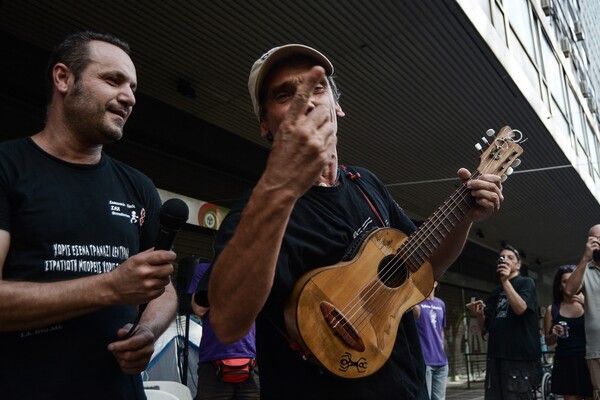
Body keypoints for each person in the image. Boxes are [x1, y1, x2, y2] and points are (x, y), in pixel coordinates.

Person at [198, 44, 504, 400]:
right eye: (285, 95)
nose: (307, 102)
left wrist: (465, 216)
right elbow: (228, 321)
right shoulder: (254, 212)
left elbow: (426, 269)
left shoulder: (366, 184)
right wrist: (279, 186)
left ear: (337, 106)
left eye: (317, 88)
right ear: (266, 125)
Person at [0, 31, 178, 399]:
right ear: (63, 78)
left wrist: (148, 331)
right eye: (113, 80)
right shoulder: (7, 167)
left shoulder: (139, 186)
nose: (129, 97)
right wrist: (109, 288)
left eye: (132, 87)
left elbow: (163, 290)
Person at [467, 245, 541, 399]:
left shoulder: (526, 283)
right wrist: (478, 314)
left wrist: (505, 281)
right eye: (502, 257)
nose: (505, 259)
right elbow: (485, 326)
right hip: (496, 355)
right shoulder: (496, 291)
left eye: (510, 257)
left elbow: (520, 308)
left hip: (519, 357)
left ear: (518, 265)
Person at [189, 261, 259, 400]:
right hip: (213, 361)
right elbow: (199, 308)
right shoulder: (204, 269)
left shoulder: (254, 266)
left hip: (252, 359)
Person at [544, 265, 592, 400]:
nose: (571, 284)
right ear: (559, 286)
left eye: (573, 279)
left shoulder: (589, 303)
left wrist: (588, 304)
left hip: (588, 359)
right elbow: (548, 341)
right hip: (565, 361)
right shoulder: (552, 309)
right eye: (565, 281)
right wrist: (554, 333)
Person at [565, 224, 600, 400]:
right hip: (596, 349)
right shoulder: (585, 268)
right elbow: (569, 291)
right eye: (594, 239)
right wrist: (585, 259)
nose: (598, 242)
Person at [414, 280, 448, 400]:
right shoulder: (416, 303)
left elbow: (441, 330)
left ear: (436, 283)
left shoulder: (441, 304)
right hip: (425, 362)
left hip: (442, 362)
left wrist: (442, 350)